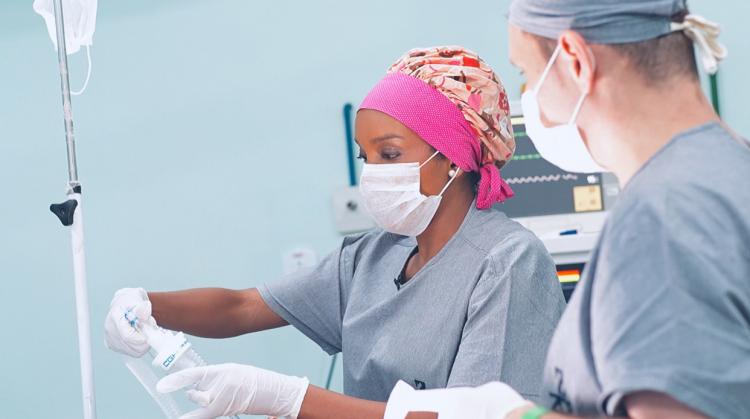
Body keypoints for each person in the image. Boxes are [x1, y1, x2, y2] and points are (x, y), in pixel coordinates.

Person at [104, 46, 566, 419]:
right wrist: (147, 305)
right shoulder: (370, 258)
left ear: (452, 158)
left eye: (389, 154)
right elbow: (242, 307)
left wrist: (290, 399)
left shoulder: (508, 263)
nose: (372, 173)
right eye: (366, 157)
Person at [382, 1, 750, 419]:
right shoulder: (729, 168)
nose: (531, 99)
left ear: (575, 60)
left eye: (528, 74)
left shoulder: (660, 220)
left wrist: (514, 416)